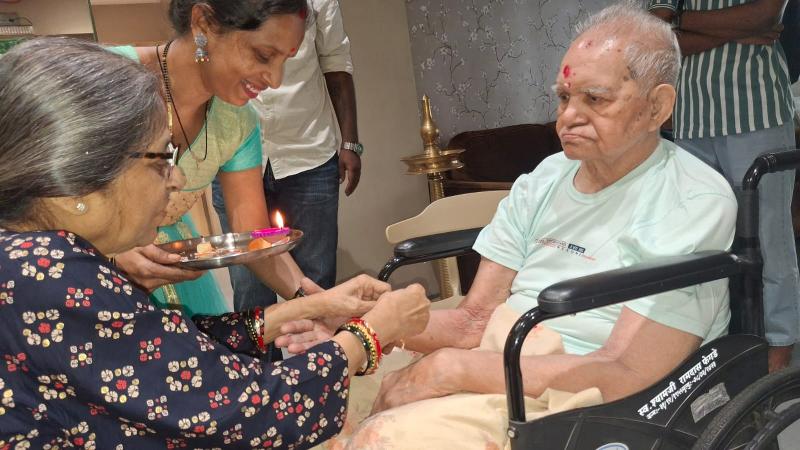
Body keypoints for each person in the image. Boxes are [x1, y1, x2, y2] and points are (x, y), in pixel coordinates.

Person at [325, 4, 737, 448]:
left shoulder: (692, 200)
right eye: (564, 97)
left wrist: (448, 369)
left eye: (595, 99)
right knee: (326, 403)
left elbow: (627, 371)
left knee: (385, 438)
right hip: (503, 357)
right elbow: (472, 321)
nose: (567, 118)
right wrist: (365, 324)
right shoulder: (545, 178)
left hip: (587, 396)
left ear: (657, 107)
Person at [0, 37, 429, 449]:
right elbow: (246, 411)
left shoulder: (29, 260)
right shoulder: (50, 274)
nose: (178, 179)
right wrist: (370, 335)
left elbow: (155, 351)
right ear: (76, 184)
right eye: (161, 158)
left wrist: (308, 308)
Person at [111, 0, 312, 317]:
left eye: (284, 61)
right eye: (263, 55)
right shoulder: (103, 78)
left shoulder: (237, 122)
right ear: (203, 22)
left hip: (171, 266)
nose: (276, 80)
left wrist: (314, 302)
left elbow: (253, 235)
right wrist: (108, 251)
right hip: (81, 279)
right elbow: (33, 206)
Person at [648, 0, 798, 372]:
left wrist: (685, 23)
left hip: (757, 113)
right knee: (697, 245)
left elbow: (765, 16)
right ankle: (703, 351)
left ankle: (778, 353)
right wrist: (739, 30)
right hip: (692, 120)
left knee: (770, 241)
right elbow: (660, 37)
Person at [212, 0, 360, 313]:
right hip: (232, 155)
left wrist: (350, 142)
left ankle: (320, 346)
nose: (275, 79)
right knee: (250, 289)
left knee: (316, 282)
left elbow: (336, 61)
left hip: (308, 153)